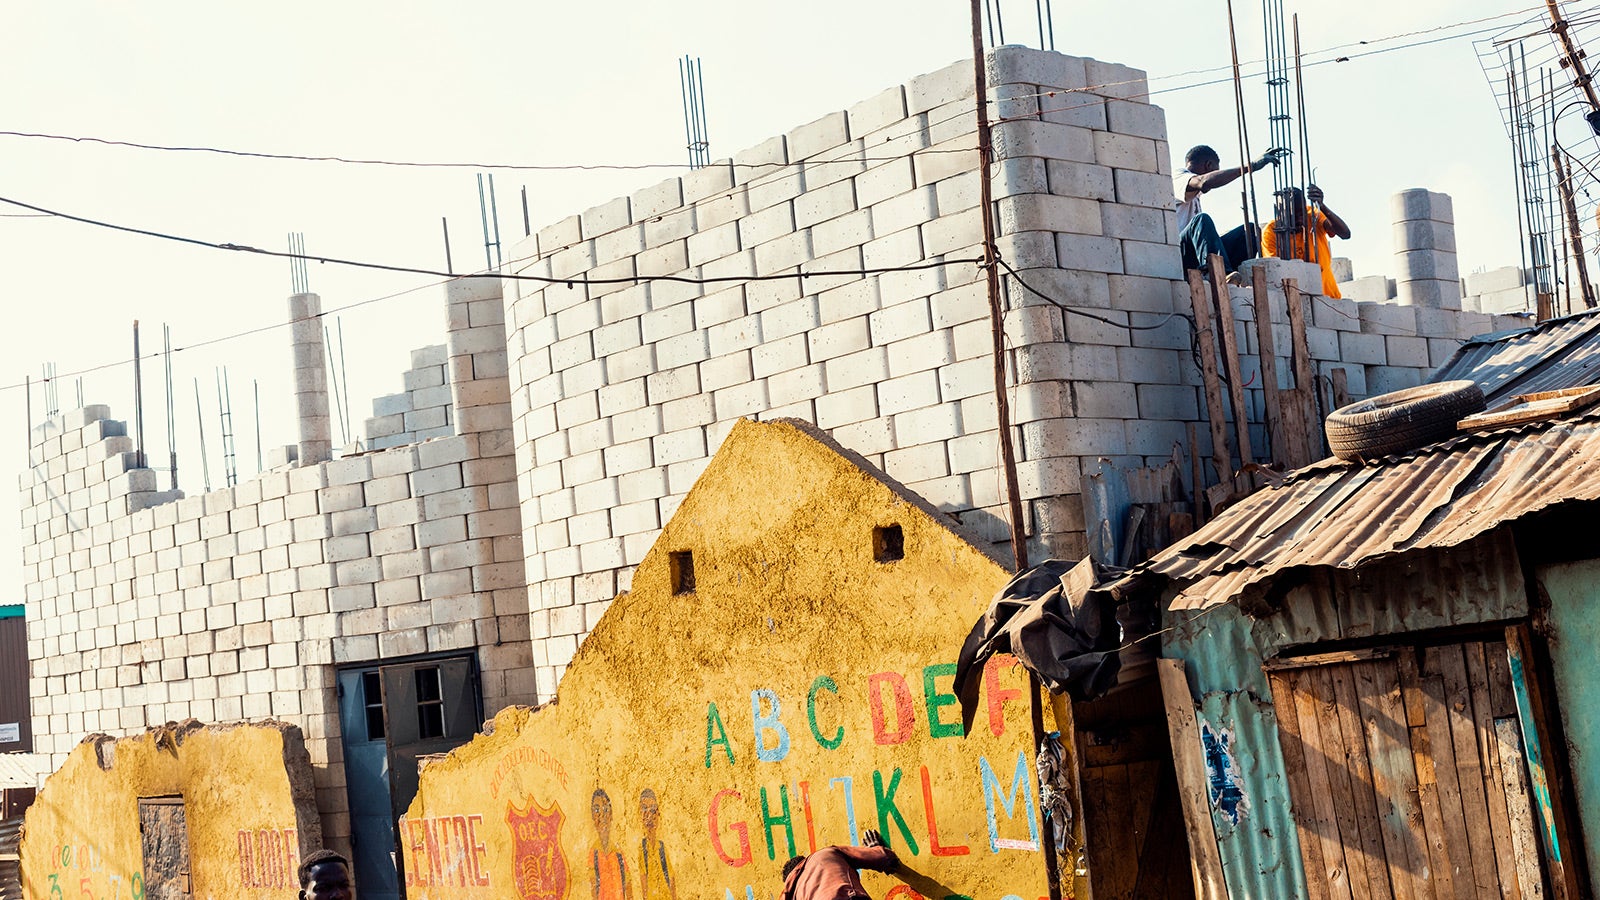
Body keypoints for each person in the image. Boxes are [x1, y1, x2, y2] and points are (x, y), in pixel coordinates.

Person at [1175, 145, 1285, 273]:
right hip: (1179, 255)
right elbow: (1204, 182)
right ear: (1208, 166)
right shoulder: (1178, 177)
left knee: (1249, 231)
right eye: (1216, 171)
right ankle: (1219, 273)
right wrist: (1251, 166)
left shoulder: (1194, 194)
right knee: (1201, 220)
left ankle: (1233, 275)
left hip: (1194, 254)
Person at [1261, 184, 1352, 298]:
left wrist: (1322, 206)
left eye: (1301, 212)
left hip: (1329, 297)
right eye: (1293, 215)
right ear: (1281, 212)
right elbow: (1276, 271)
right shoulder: (1271, 232)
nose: (1299, 218)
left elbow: (1345, 234)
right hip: (1296, 300)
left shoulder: (1312, 216)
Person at [780, 829, 900, 900]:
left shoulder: (789, 894)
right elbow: (884, 858)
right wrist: (877, 851)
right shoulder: (825, 854)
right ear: (805, 860)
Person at [590, 788, 633, 900]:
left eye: (605, 809)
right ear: (592, 817)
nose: (602, 815)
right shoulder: (593, 854)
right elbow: (593, 890)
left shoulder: (619, 854)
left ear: (611, 815)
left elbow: (628, 888)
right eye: (596, 810)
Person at [638, 789, 677, 900]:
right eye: (645, 809)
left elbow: (671, 878)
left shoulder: (662, 847)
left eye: (653, 810)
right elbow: (643, 880)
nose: (649, 815)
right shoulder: (643, 847)